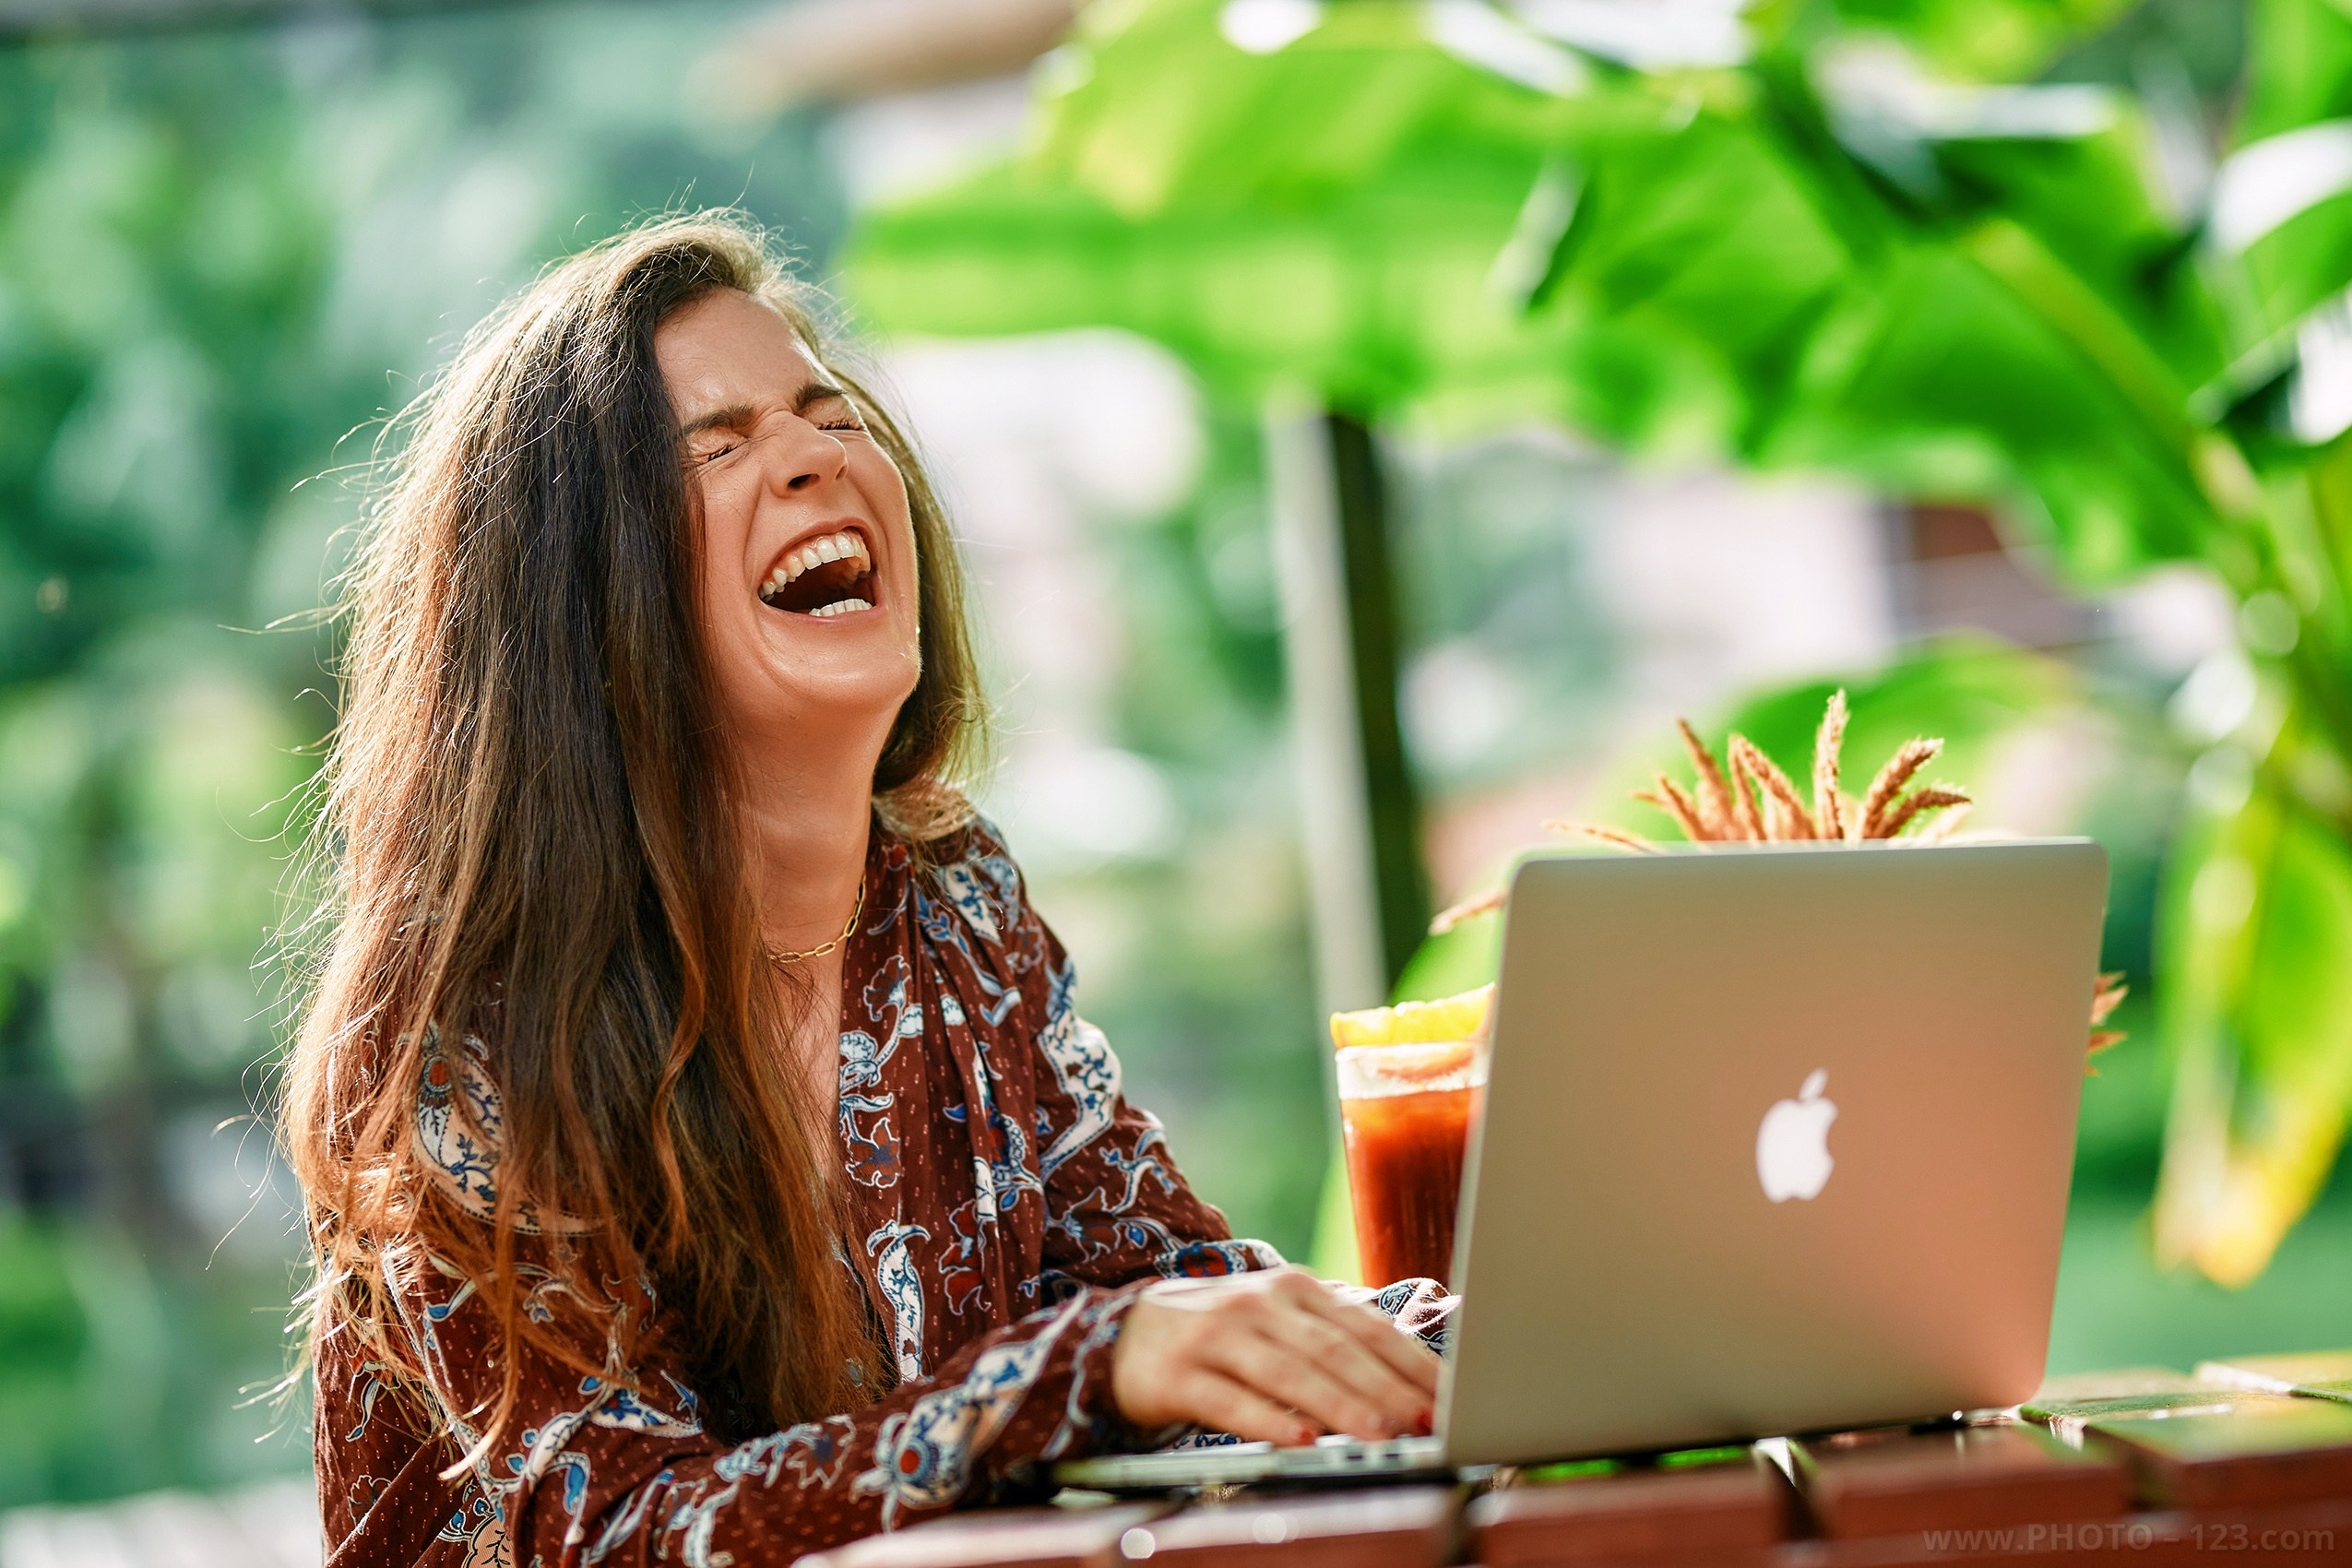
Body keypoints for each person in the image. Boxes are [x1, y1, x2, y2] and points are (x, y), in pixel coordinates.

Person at [282, 211, 1450, 1566]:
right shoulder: (461, 1041)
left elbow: (1165, 1304)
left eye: (825, 411)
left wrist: (1518, 1325)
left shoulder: (950, 899)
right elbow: (626, 1533)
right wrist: (1072, 1377)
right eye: (713, 448)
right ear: (576, 609)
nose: (809, 456)